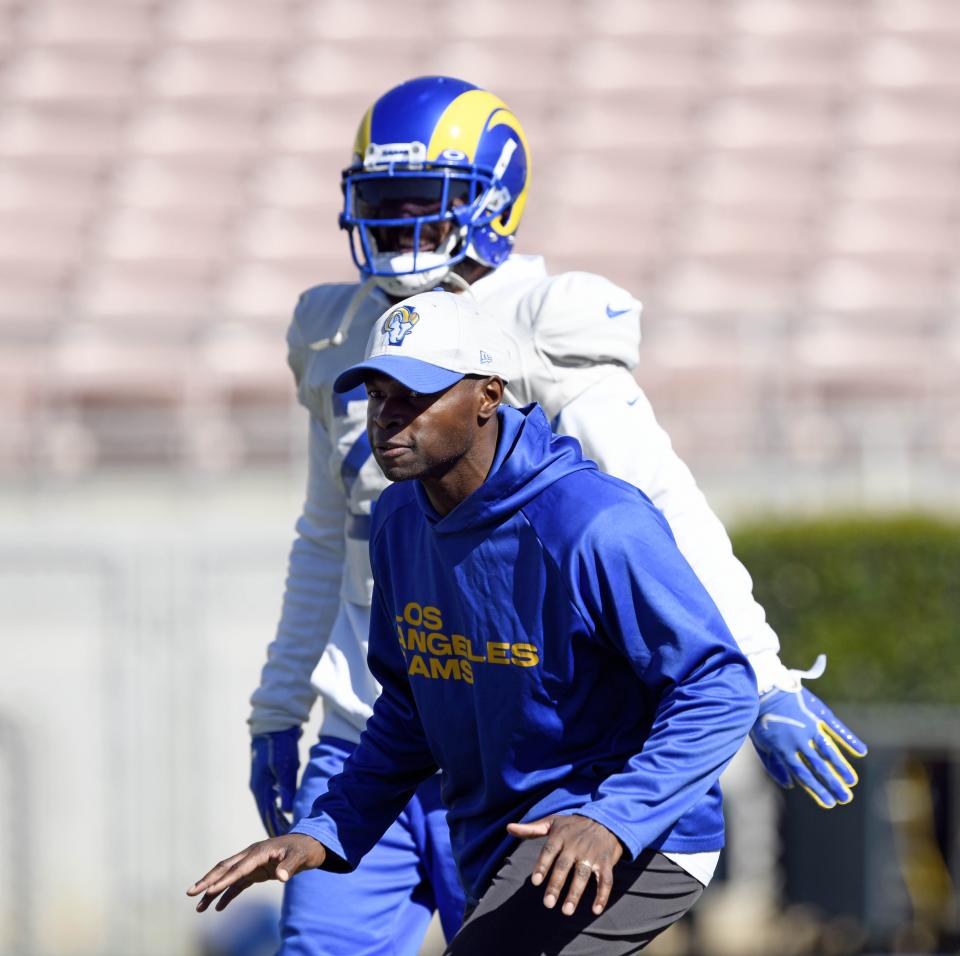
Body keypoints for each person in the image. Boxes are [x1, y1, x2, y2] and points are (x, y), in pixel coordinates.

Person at [248, 76, 867, 953]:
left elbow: (653, 509)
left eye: (423, 203)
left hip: (525, 745)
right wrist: (278, 704)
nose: (397, 226)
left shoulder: (537, 322)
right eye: (380, 203)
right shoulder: (335, 332)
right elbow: (325, 535)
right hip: (384, 722)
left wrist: (760, 673)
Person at [191, 291, 761, 955]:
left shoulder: (594, 523)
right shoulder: (399, 522)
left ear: (488, 395)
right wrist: (327, 829)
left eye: (415, 395)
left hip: (637, 834)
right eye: (378, 396)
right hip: (505, 840)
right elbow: (410, 711)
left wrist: (612, 818)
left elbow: (719, 687)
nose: (388, 419)